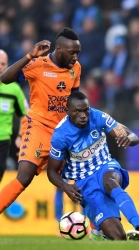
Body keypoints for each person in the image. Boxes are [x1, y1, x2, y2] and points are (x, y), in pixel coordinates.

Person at [47, 91, 139, 241]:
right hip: (85, 182)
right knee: (118, 238)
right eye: (77, 111)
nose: (83, 115)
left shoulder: (98, 116)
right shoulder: (60, 135)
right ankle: (98, 228)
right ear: (67, 111)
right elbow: (51, 171)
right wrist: (65, 187)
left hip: (105, 166)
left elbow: (133, 136)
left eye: (86, 110)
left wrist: (128, 139)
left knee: (110, 182)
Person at [0, 27, 81, 213]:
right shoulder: (38, 65)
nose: (75, 57)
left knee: (83, 179)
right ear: (59, 49)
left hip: (62, 132)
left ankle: (95, 229)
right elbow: (5, 78)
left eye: (78, 53)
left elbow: (74, 101)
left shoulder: (76, 69)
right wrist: (29, 56)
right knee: (24, 177)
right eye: (72, 52)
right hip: (37, 127)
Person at [0, 49, 28, 182]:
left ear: (7, 66)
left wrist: (21, 136)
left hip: (3, 140)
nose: (0, 67)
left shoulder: (14, 89)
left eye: (3, 64)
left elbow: (26, 115)